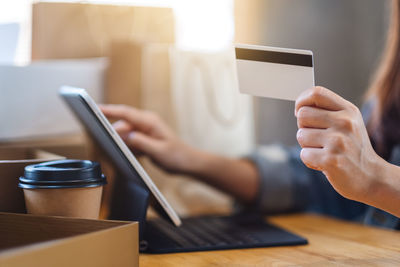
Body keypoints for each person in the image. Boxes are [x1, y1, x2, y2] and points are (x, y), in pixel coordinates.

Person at [101, 0, 400, 228]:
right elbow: (320, 185)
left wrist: (376, 177)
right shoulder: (390, 94)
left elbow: (364, 180)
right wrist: (187, 158)